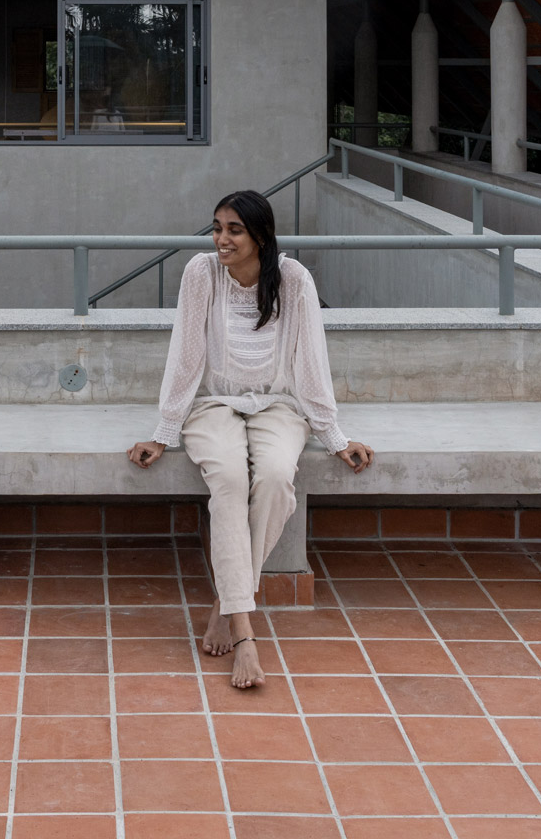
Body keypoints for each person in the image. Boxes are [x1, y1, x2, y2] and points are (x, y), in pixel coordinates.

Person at [127, 189, 373, 689]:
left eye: (234, 229)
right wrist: (163, 430)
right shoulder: (202, 273)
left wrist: (334, 435)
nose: (221, 238)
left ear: (260, 234)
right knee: (230, 482)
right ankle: (246, 636)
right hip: (214, 404)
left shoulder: (294, 280)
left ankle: (227, 599)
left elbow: (311, 363)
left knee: (279, 479)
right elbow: (186, 354)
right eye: (217, 227)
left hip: (279, 404)